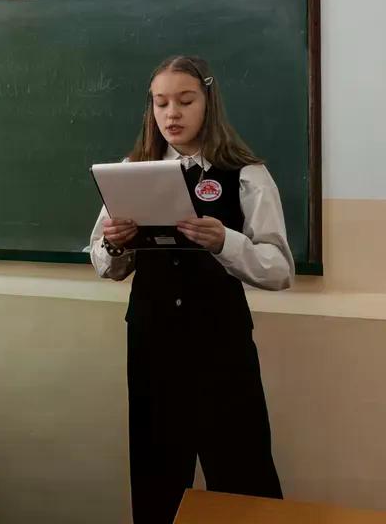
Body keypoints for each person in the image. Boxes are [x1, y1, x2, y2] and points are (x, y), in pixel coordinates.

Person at [89, 55, 292, 524]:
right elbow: (103, 262)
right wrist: (116, 244)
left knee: (242, 468)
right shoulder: (130, 170)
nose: (172, 114)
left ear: (208, 103)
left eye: (185, 101)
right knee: (156, 472)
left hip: (221, 342)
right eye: (161, 103)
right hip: (152, 340)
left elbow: (280, 269)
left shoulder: (245, 174)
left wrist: (226, 242)